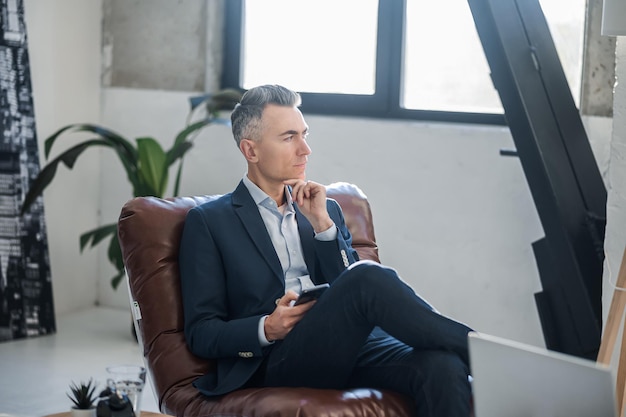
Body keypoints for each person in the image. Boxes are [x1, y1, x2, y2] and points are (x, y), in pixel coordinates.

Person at [179, 84, 474, 417]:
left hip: (349, 346)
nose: (305, 150)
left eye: (304, 134)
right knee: (366, 277)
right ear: (251, 150)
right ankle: (483, 353)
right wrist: (266, 327)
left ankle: (470, 353)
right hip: (280, 357)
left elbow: (347, 289)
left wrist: (322, 227)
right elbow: (202, 332)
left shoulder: (326, 210)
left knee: (442, 364)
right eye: (289, 137)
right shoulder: (209, 222)